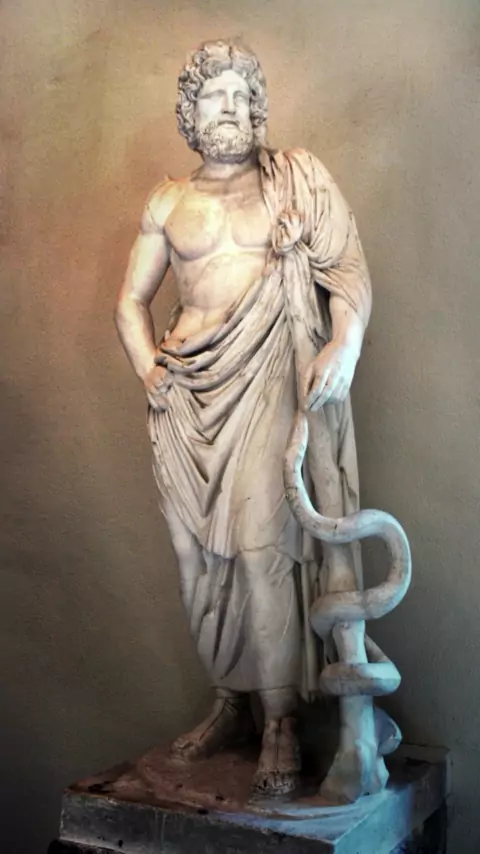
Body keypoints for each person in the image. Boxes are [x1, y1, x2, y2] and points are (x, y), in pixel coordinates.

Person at [115, 39, 371, 797]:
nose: (227, 108)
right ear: (190, 112)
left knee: (263, 553)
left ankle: (281, 718)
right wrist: (149, 370)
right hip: (185, 398)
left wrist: (346, 344)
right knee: (197, 563)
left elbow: (347, 272)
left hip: (266, 385)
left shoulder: (294, 180)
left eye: (238, 95)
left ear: (255, 107)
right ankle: (232, 702)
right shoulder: (168, 201)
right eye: (212, 96)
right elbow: (131, 302)